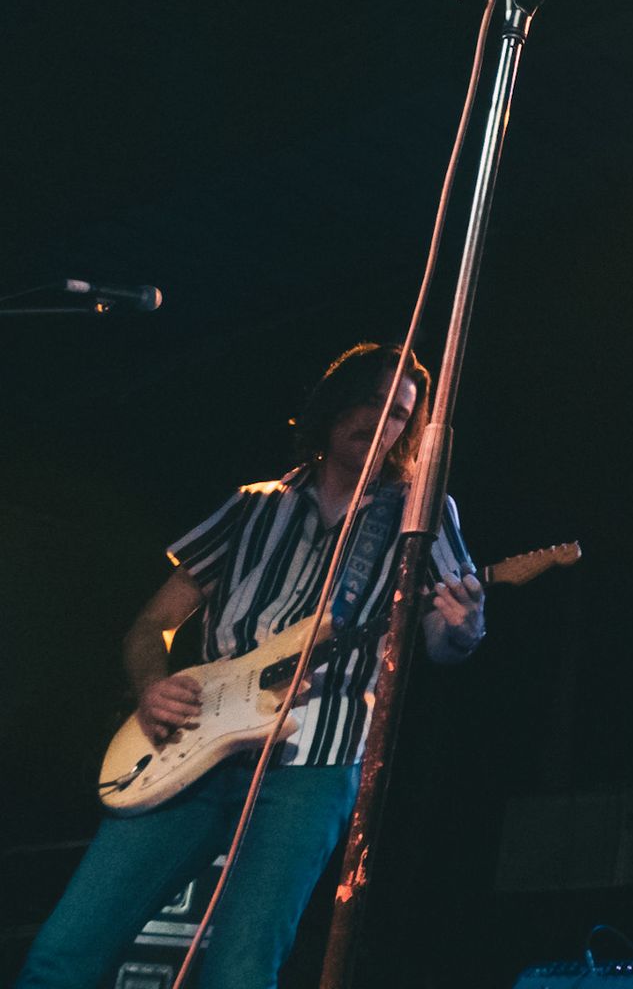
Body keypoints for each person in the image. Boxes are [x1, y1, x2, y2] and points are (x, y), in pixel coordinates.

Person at [17, 342, 485, 989]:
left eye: (402, 413)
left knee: (240, 973)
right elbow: (151, 624)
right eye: (373, 400)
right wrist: (152, 688)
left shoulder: (419, 514)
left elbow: (442, 640)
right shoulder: (253, 505)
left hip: (312, 767)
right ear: (335, 403)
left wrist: (466, 626)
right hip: (190, 743)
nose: (384, 420)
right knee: (64, 953)